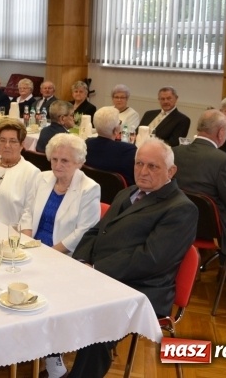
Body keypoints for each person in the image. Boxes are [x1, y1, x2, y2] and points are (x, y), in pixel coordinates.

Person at [68, 139, 197, 378]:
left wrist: (95, 269)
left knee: (98, 326)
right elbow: (97, 231)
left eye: (152, 166)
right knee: (54, 299)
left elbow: (150, 259)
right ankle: (52, 363)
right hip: (105, 275)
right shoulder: (128, 191)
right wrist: (82, 263)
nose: (143, 171)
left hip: (142, 289)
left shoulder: (180, 208)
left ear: (171, 171)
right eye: (139, 164)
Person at [172, 109, 226, 280]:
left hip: (180, 219)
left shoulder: (176, 152)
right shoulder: (223, 160)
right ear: (221, 132)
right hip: (211, 228)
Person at [21, 133, 100, 254]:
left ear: (78, 162)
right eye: (54, 159)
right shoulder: (41, 178)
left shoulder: (89, 189)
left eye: (65, 160)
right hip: (31, 246)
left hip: (62, 254)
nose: (58, 165)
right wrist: (26, 244)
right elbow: (28, 213)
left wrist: (49, 254)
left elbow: (83, 232)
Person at [85, 106, 137, 185]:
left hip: (91, 191)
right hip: (120, 195)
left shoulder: (87, 144)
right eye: (119, 123)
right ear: (116, 130)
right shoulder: (128, 150)